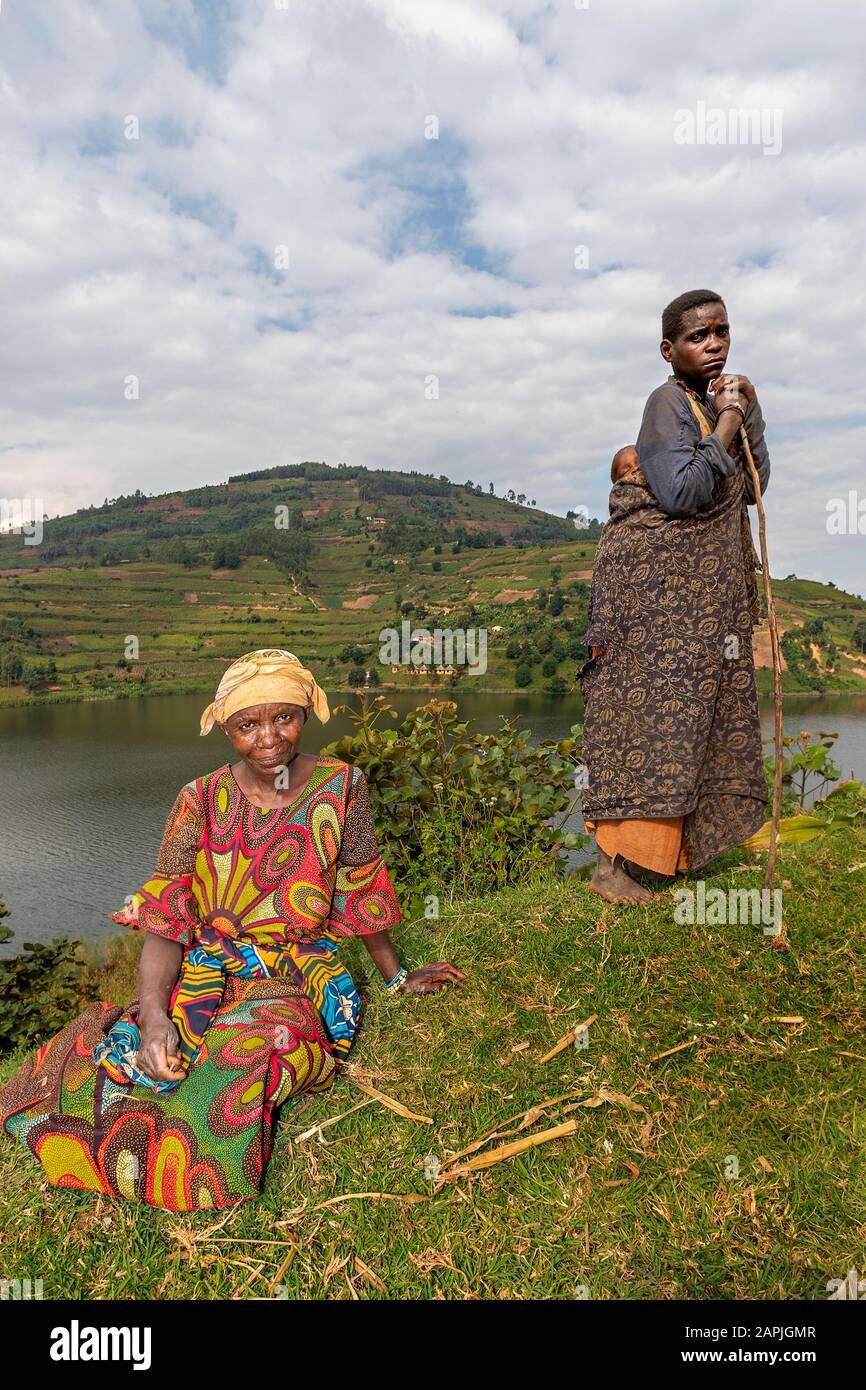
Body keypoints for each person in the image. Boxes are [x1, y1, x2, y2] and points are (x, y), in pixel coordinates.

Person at [0, 649, 464, 1210]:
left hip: (298, 973)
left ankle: (192, 1170)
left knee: (247, 1056)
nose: (269, 738)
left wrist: (396, 977)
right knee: (139, 1058)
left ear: (307, 713)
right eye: (248, 724)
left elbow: (362, 886)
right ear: (226, 727)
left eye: (284, 717)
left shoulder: (343, 786)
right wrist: (153, 1017)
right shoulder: (198, 801)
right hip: (209, 964)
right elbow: (166, 919)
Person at [579, 290, 771, 904]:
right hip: (659, 602)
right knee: (656, 721)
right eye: (697, 336)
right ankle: (618, 868)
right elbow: (682, 494)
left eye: (721, 331)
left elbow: (752, 484)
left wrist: (751, 414)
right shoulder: (666, 402)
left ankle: (669, 861)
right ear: (670, 349)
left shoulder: (710, 403)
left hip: (701, 609)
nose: (713, 343)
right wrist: (729, 421)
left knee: (697, 720)